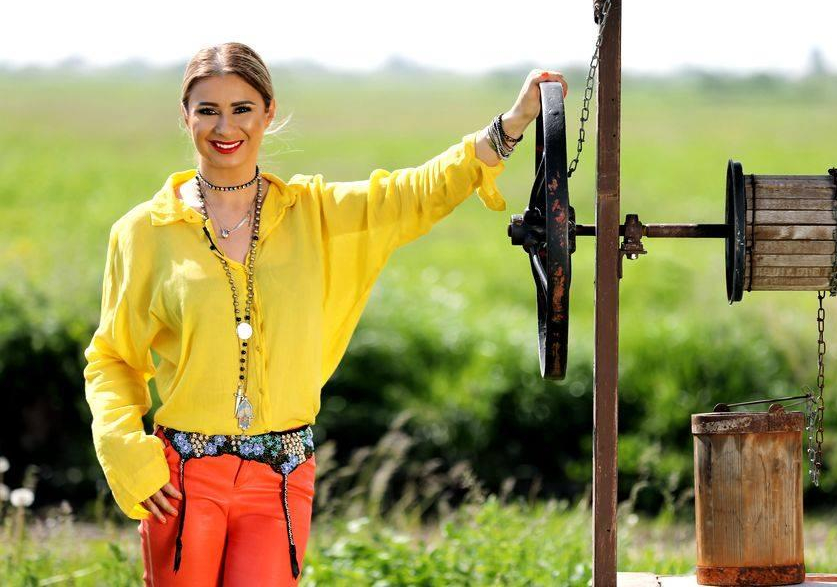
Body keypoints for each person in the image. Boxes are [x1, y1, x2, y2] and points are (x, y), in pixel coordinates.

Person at [81, 42, 568, 585]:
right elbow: (113, 359)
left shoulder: (312, 214)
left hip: (283, 477)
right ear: (185, 115)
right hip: (182, 480)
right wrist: (127, 453)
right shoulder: (143, 232)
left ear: (268, 112)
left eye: (242, 108)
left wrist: (514, 123)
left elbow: (412, 195)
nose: (226, 127)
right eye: (208, 110)